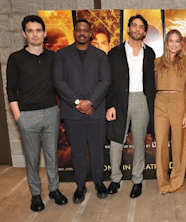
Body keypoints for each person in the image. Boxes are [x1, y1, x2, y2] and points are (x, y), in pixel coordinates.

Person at [6, 15, 68, 212]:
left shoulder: (53, 57)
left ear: (44, 33)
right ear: (24, 34)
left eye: (38, 30)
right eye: (30, 31)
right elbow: (11, 89)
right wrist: (19, 117)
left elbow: (61, 84)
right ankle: (35, 195)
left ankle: (54, 189)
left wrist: (58, 109)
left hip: (51, 112)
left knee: (52, 156)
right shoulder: (16, 58)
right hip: (27, 116)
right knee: (32, 158)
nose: (35, 34)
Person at [53, 19, 111, 203]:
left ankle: (99, 183)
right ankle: (80, 186)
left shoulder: (100, 55)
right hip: (72, 112)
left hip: (96, 111)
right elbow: (59, 81)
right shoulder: (62, 54)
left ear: (90, 33)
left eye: (86, 31)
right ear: (74, 32)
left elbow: (105, 81)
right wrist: (78, 102)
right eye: (79, 30)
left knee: (97, 151)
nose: (82, 33)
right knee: (77, 152)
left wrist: (91, 102)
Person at [106, 14, 156, 198]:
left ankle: (137, 179)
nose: (137, 29)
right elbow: (108, 81)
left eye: (141, 27)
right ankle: (115, 179)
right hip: (119, 100)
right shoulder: (114, 53)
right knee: (116, 141)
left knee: (140, 142)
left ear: (144, 31)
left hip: (142, 100)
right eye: (134, 26)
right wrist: (110, 105)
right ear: (128, 28)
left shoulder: (149, 53)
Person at [154, 29, 186, 194]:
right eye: (171, 40)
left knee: (179, 146)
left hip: (179, 103)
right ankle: (163, 184)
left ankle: (177, 183)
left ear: (181, 44)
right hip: (160, 103)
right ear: (166, 43)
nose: (174, 44)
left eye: (177, 41)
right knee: (161, 145)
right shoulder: (157, 62)